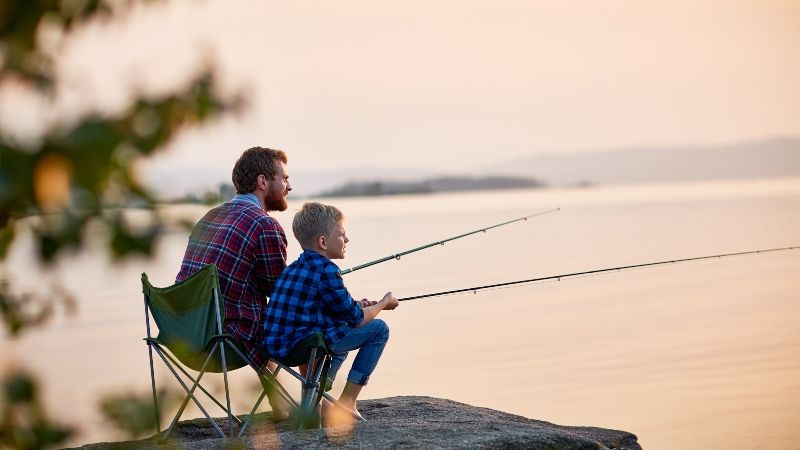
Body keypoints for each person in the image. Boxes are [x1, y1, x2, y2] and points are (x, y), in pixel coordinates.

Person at [176, 146, 292, 420]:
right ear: (263, 182)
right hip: (223, 343)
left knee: (253, 313)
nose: (290, 186)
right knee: (291, 317)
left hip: (183, 335)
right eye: (284, 178)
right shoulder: (265, 225)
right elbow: (280, 295)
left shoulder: (209, 217)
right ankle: (308, 408)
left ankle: (281, 406)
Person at [262, 202, 398, 421]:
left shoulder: (292, 268)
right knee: (379, 329)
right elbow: (356, 318)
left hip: (276, 349)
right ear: (323, 242)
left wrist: (357, 304)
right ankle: (347, 402)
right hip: (305, 347)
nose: (347, 240)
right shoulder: (327, 270)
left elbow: (324, 305)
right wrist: (383, 303)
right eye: (342, 235)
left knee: (337, 327)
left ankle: (320, 396)